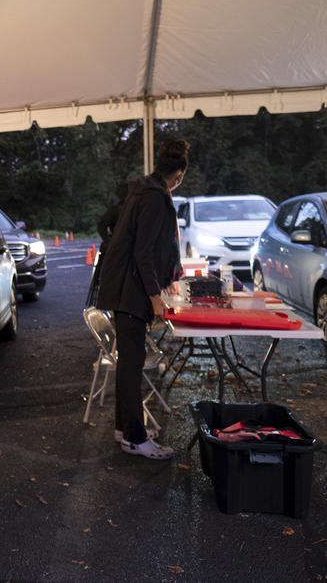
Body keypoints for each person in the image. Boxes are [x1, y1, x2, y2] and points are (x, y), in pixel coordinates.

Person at [96, 139, 188, 460]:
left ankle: (125, 429)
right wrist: (155, 297)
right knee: (132, 365)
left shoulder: (141, 190)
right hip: (130, 291)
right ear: (178, 175)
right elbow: (144, 252)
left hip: (123, 286)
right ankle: (134, 438)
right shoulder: (154, 198)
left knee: (129, 363)